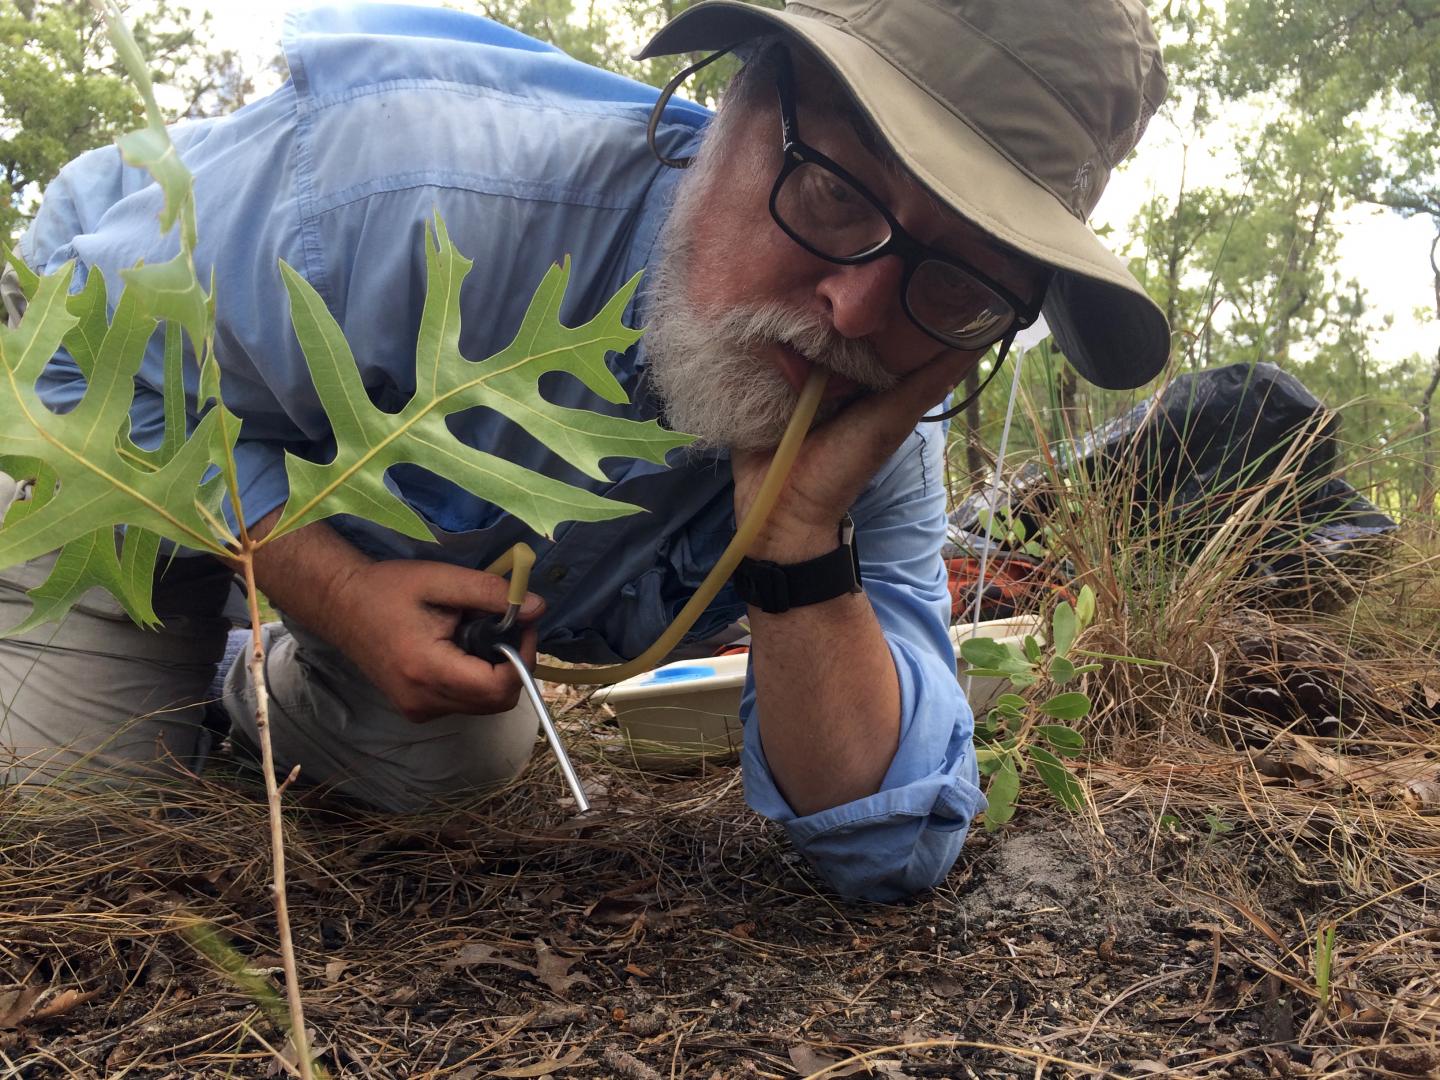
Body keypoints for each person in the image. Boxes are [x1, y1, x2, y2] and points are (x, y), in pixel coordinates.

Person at [0, 0, 1169, 901]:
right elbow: (64, 364)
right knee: (81, 833)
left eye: (959, 280)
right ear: (740, 104)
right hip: (119, 451)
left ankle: (246, 690)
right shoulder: (413, 185)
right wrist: (333, 585)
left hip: (351, 529)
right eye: (830, 192)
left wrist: (799, 539)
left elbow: (884, 837)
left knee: (446, 772)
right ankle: (219, 631)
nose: (857, 313)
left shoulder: (875, 432)